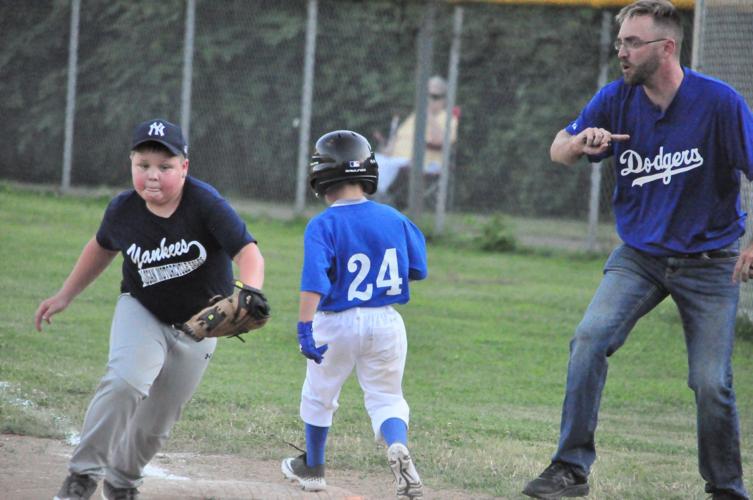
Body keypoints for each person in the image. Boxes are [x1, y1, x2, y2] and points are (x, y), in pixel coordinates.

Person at [522, 1, 753, 499]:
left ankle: (727, 488)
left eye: (632, 43)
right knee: (589, 339)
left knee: (710, 382)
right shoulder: (616, 98)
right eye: (619, 41)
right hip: (640, 257)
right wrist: (580, 141)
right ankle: (569, 469)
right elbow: (558, 148)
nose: (621, 52)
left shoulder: (720, 103)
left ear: (666, 48)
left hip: (710, 261)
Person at [35, 118, 266, 500]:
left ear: (185, 167)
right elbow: (102, 246)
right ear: (131, 164)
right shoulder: (124, 208)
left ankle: (122, 483)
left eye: (165, 166)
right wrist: (65, 295)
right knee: (125, 381)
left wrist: (251, 288)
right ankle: (82, 476)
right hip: (142, 308)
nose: (152, 176)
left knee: (157, 421)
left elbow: (247, 251)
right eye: (143, 165)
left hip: (202, 324)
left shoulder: (205, 202)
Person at [281, 130, 428, 499]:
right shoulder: (394, 218)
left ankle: (313, 468)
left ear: (320, 176)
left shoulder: (323, 224)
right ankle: (397, 445)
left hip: (336, 322)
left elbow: (314, 282)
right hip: (386, 322)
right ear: (368, 172)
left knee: (319, 396)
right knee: (387, 397)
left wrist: (303, 328)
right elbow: (417, 268)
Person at [374, 75, 458, 199]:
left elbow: (440, 141)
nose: (429, 100)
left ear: (444, 100)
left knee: (385, 166)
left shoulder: (449, 119)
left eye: (434, 97)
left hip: (425, 162)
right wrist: (389, 148)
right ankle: (367, 197)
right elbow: (399, 136)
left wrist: (429, 116)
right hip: (398, 158)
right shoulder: (416, 116)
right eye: (427, 95)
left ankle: (377, 197)